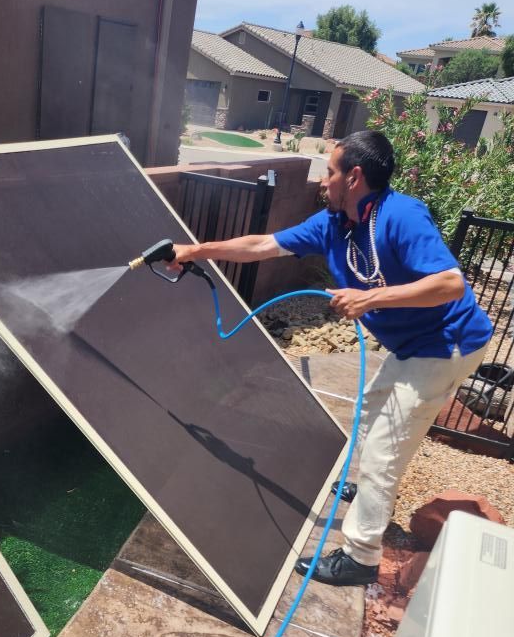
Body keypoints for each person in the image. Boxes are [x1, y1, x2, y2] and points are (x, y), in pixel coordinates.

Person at [170, 130, 493, 586]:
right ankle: (371, 494)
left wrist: (371, 299)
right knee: (371, 409)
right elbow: (263, 245)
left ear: (354, 177)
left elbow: (450, 285)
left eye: (330, 172)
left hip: (448, 344)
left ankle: (360, 558)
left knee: (384, 448)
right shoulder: (334, 224)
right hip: (413, 346)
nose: (324, 182)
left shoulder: (402, 215)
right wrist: (196, 250)